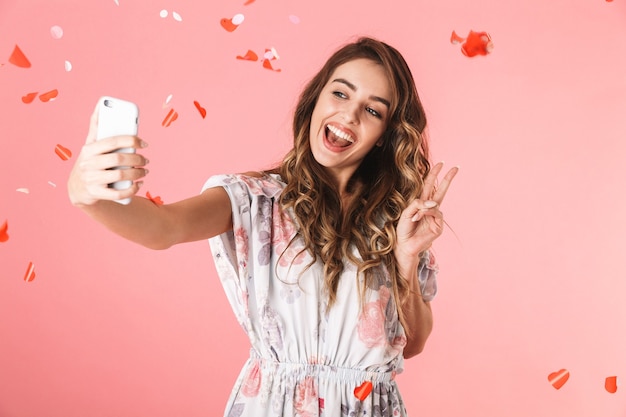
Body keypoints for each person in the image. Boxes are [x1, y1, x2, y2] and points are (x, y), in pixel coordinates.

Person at [68, 36, 458, 416]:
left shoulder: (396, 221)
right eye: (340, 94)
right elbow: (163, 227)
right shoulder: (254, 200)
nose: (349, 116)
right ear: (317, 99)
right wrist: (87, 196)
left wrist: (406, 257)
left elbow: (413, 343)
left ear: (383, 136)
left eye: (372, 110)